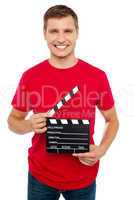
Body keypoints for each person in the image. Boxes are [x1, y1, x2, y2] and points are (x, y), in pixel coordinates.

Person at [7, 4, 119, 200]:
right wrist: (28, 124)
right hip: (40, 177)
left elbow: (112, 120)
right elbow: (13, 121)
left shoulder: (97, 76)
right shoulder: (30, 77)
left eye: (67, 30)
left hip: (83, 177)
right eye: (53, 31)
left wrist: (102, 149)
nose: (60, 38)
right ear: (44, 34)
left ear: (77, 32)